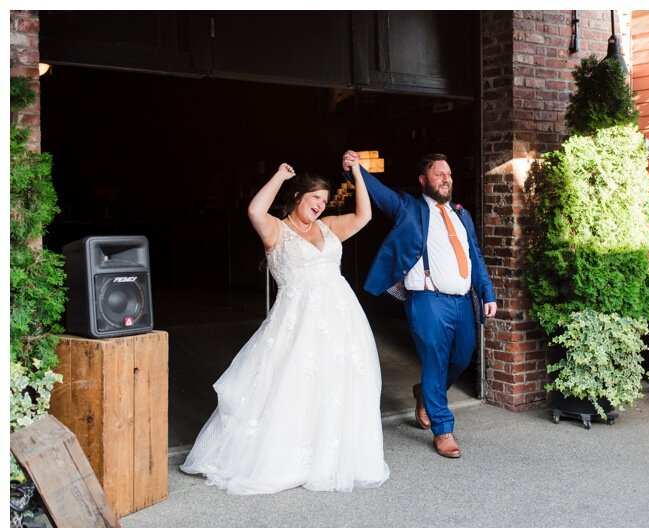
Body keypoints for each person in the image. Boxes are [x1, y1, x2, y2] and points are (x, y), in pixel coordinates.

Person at [182, 161, 388, 494]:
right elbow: (254, 210)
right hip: (296, 323)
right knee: (291, 386)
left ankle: (328, 458)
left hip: (341, 321)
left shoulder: (330, 227)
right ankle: (289, 459)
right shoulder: (277, 230)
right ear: (297, 196)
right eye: (315, 197)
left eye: (324, 199)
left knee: (335, 386)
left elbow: (364, 216)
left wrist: (359, 175)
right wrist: (279, 176)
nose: (320, 204)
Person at [343, 151, 497, 459]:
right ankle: (444, 429)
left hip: (462, 300)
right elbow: (379, 194)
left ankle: (426, 395)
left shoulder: (461, 214)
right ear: (423, 180)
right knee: (435, 361)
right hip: (427, 299)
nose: (446, 178)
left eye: (448, 174)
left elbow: (474, 256)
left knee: (463, 357)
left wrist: (487, 292)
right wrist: (354, 170)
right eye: (439, 174)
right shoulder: (409, 208)